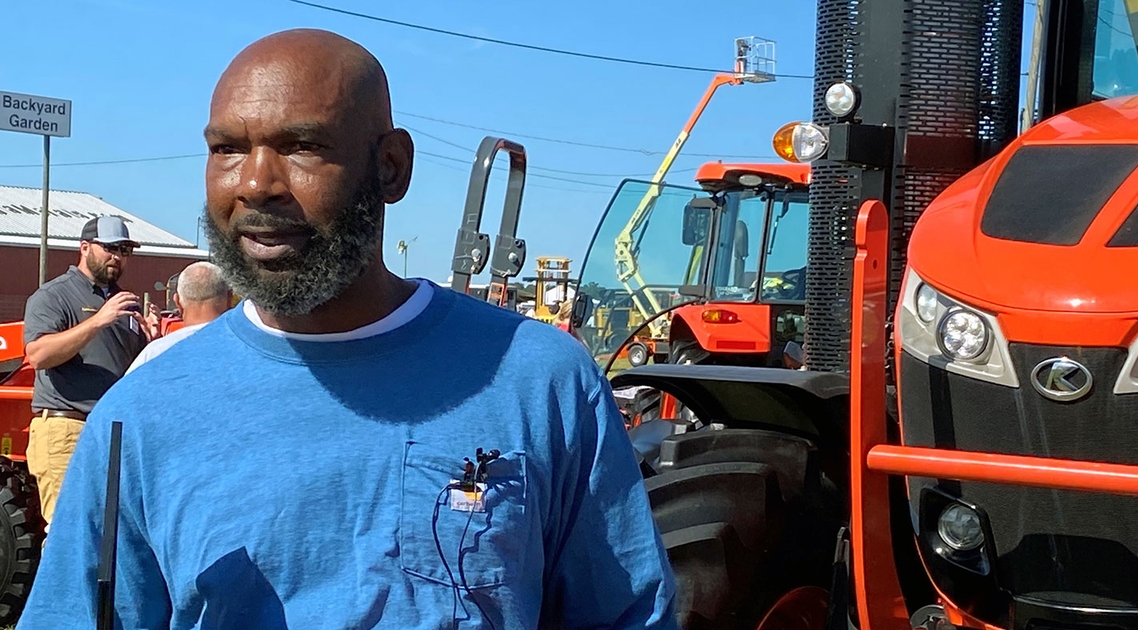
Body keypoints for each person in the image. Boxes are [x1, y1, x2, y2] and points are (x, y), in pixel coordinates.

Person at [19, 28, 676, 630]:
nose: (255, 183)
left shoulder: (541, 383)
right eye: (227, 150)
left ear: (391, 167)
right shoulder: (141, 416)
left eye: (302, 146)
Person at [21, 214, 158, 534]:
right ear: (84, 248)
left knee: (112, 535)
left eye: (125, 250)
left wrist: (151, 342)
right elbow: (38, 355)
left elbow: (132, 374)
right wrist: (98, 321)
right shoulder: (54, 296)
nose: (118, 257)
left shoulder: (126, 304)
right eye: (110, 248)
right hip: (66, 429)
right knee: (70, 535)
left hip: (112, 432)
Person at [125, 261, 232, 374]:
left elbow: (123, 390)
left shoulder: (155, 353)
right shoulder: (246, 348)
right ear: (229, 299)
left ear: (177, 301)